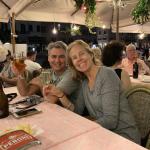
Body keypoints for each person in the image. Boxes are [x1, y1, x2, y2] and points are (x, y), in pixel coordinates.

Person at [43, 40, 141, 144]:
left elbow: (111, 120)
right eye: (75, 58)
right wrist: (60, 95)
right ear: (73, 64)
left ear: (90, 54)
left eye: (82, 54)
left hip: (124, 137)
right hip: (101, 134)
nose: (79, 59)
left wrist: (81, 127)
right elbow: (77, 111)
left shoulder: (107, 74)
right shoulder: (84, 82)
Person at [13, 41, 79, 104]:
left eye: (61, 57)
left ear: (67, 58)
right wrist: (20, 74)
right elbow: (25, 92)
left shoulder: (71, 74)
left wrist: (42, 83)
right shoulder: (48, 73)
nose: (57, 60)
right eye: (54, 56)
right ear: (48, 58)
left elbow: (51, 99)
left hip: (70, 114)